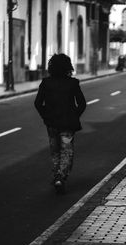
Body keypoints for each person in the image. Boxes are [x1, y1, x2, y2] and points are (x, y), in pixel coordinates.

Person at [34, 53, 86, 194]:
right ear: (67, 67)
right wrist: (74, 115)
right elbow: (82, 104)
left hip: (52, 123)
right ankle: (61, 176)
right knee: (67, 150)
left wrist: (46, 116)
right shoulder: (73, 83)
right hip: (68, 123)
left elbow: (38, 103)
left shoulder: (46, 83)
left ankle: (56, 174)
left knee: (55, 150)